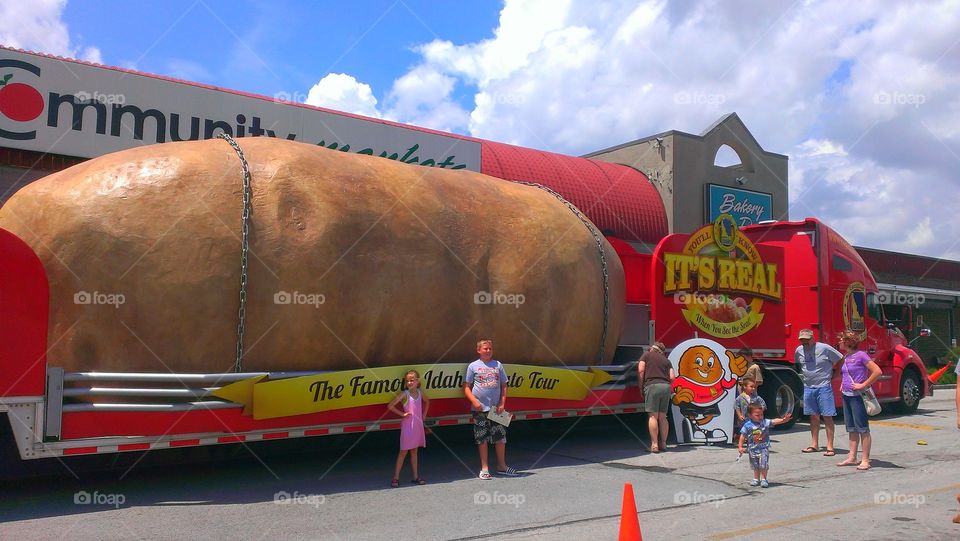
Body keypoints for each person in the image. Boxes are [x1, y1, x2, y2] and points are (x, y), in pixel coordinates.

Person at [464, 339, 519, 479]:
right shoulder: (473, 366)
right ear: (478, 350)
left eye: (490, 348)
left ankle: (502, 466)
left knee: (500, 437)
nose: (488, 351)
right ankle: (484, 468)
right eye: (485, 349)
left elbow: (504, 385)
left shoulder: (498, 365)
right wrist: (474, 401)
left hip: (497, 409)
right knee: (482, 438)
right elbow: (466, 387)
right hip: (480, 409)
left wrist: (502, 403)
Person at [835, 330, 883, 471]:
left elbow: (877, 371)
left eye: (841, 340)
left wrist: (863, 384)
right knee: (851, 427)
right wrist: (843, 384)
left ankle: (865, 460)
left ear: (848, 342)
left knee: (862, 428)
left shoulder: (861, 355)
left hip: (858, 396)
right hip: (847, 394)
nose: (839, 342)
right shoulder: (846, 356)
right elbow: (846, 373)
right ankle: (852, 457)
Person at [795, 328, 843, 456]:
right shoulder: (799, 351)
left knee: (827, 416)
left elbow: (840, 359)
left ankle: (830, 446)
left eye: (807, 340)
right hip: (808, 387)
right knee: (813, 416)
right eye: (802, 341)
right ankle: (814, 444)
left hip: (824, 386)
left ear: (812, 338)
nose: (804, 343)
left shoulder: (824, 348)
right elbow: (799, 364)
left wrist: (836, 375)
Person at [387, 369, 430, 487]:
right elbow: (390, 405)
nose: (410, 383)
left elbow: (427, 402)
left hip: (417, 426)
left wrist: (424, 415)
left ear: (417, 381)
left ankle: (416, 476)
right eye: (407, 381)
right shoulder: (405, 394)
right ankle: (395, 478)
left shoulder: (420, 393)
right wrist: (402, 414)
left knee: (415, 451)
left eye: (412, 380)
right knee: (403, 451)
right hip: (407, 426)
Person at [738, 403, 792, 488]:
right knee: (755, 465)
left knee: (763, 464)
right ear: (750, 415)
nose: (760, 417)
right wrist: (740, 446)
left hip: (764, 448)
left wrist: (783, 420)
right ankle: (756, 479)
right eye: (757, 415)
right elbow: (742, 435)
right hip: (752, 449)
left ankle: (764, 479)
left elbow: (774, 421)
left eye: (761, 414)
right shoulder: (747, 425)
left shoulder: (765, 422)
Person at [637, 342, 675, 453]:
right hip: (666, 387)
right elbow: (672, 377)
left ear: (652, 349)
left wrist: (640, 387)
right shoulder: (667, 361)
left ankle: (654, 445)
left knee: (653, 417)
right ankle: (664, 444)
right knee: (663, 417)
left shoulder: (646, 355)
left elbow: (641, 370)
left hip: (652, 386)